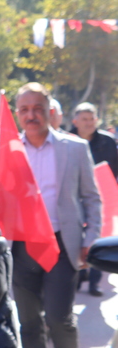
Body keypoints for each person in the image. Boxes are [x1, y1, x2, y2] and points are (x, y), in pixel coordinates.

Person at [12, 83, 101, 348]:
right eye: (24, 109)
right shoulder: (8, 151)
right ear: (17, 114)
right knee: (29, 323)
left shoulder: (74, 148)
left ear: (49, 110)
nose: (31, 115)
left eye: (37, 108)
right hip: (21, 249)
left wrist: (90, 238)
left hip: (62, 245)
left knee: (59, 319)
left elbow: (92, 198)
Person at [71, 102, 117, 297]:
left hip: (102, 197)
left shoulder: (107, 142)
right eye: (84, 119)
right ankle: (79, 276)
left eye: (92, 119)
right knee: (76, 237)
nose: (89, 123)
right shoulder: (67, 141)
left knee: (99, 236)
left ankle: (94, 281)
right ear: (75, 121)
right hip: (74, 197)